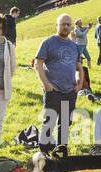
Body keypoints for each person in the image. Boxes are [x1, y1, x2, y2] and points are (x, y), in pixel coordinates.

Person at [35, 13, 82, 148]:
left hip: (70, 91)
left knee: (66, 123)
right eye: (63, 24)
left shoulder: (74, 46)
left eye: (68, 24)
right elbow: (38, 64)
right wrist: (46, 84)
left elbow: (79, 67)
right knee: (49, 122)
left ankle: (62, 151)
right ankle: (43, 153)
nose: (66, 27)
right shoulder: (48, 42)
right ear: (57, 26)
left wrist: (79, 85)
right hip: (53, 91)